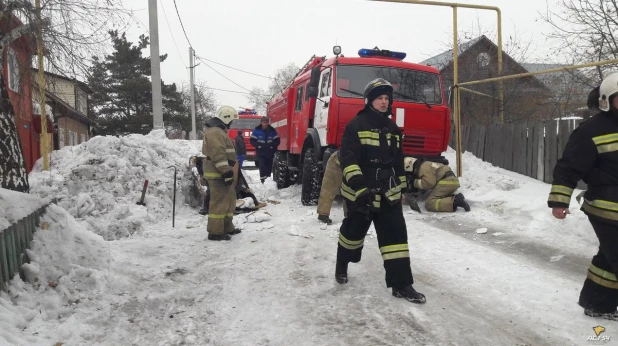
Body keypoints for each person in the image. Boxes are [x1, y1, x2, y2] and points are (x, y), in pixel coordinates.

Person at [335, 78, 426, 304]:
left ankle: (402, 284)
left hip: (388, 193)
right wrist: (360, 188)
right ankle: (342, 263)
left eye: (387, 98)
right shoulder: (356, 125)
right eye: (380, 98)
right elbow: (348, 159)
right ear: (369, 101)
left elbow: (398, 162)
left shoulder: (393, 129)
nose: (384, 102)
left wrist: (403, 188)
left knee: (396, 239)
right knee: (352, 235)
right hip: (362, 192)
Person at [548, 72, 618, 321]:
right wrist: (559, 201)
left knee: (609, 258)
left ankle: (597, 304)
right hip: (605, 207)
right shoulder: (591, 131)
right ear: (606, 101)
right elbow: (568, 167)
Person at [202, 106, 242, 241]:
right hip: (217, 173)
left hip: (222, 172)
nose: (232, 124)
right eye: (232, 121)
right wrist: (225, 171)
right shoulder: (215, 132)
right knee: (219, 202)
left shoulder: (219, 131)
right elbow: (218, 154)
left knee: (229, 200)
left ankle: (227, 227)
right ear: (227, 118)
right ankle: (215, 232)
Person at [404, 157, 470, 212]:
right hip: (452, 181)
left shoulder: (423, 168)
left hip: (446, 182)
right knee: (439, 197)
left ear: (409, 166)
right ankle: (455, 197)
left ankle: (454, 202)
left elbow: (429, 183)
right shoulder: (426, 164)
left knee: (430, 203)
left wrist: (413, 182)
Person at [316, 151, 347, 224]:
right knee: (329, 189)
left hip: (350, 165)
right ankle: (323, 214)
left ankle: (350, 215)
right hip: (336, 163)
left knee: (349, 190)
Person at [250, 116, 280, 183]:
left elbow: (277, 140)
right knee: (262, 166)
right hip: (261, 152)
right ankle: (263, 180)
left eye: (266, 122)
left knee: (269, 166)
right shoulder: (256, 130)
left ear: (268, 123)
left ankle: (268, 179)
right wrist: (258, 146)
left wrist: (273, 146)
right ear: (261, 123)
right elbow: (252, 140)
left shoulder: (272, 130)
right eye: (264, 122)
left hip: (270, 152)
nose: (265, 124)